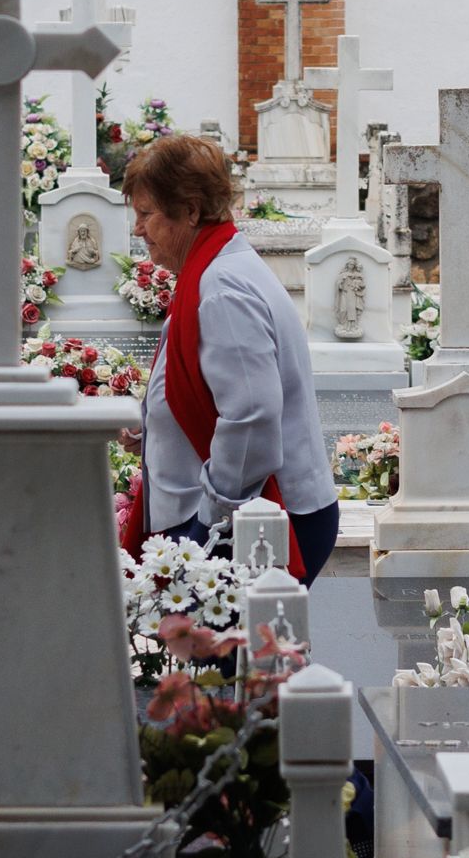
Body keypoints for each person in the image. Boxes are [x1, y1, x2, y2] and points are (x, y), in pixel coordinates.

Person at [120, 134, 338, 583]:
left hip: (249, 521)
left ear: (191, 210)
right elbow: (209, 391)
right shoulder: (216, 269)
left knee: (231, 653)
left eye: (146, 214)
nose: (138, 229)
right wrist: (153, 432)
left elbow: (251, 414)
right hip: (238, 513)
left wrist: (211, 523)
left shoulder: (222, 288)